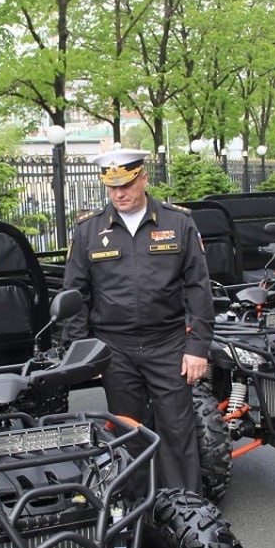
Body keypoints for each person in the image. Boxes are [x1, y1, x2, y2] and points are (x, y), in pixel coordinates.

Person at [61, 148, 214, 494]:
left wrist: (198, 346)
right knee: (128, 433)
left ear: (144, 178)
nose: (120, 194)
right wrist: (85, 353)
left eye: (127, 184)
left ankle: (186, 513)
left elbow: (198, 289)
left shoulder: (177, 223)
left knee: (178, 431)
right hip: (116, 349)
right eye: (112, 187)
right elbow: (75, 295)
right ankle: (141, 517)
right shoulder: (89, 230)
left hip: (169, 344)